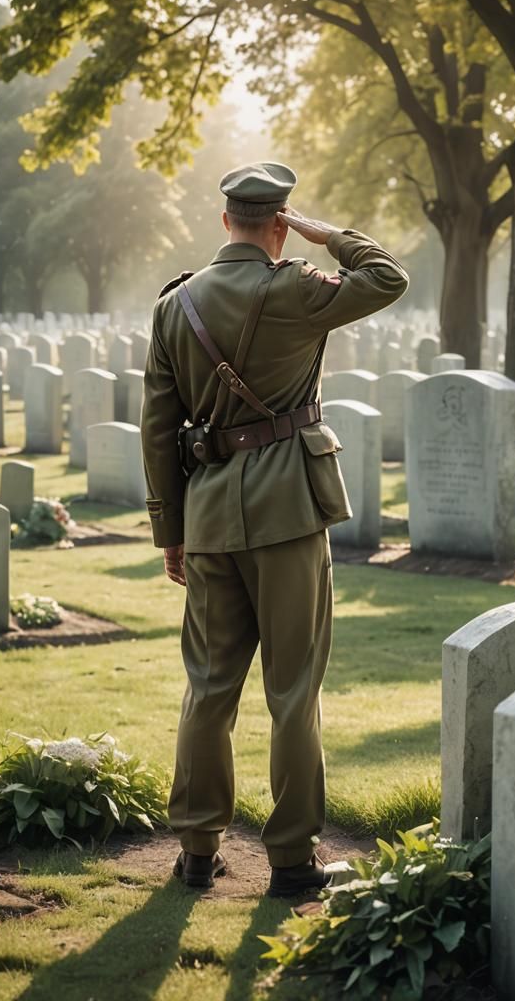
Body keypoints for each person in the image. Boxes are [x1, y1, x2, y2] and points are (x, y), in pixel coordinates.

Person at [140, 161, 408, 896]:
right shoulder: (294, 286)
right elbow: (388, 277)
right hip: (290, 509)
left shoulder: (174, 305)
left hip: (209, 516)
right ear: (280, 224)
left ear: (226, 221)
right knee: (293, 690)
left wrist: (170, 530)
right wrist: (327, 235)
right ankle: (292, 862)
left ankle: (197, 852)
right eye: (289, 225)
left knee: (208, 685)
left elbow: (159, 426)